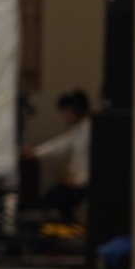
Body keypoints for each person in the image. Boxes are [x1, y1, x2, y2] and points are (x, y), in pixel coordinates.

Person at [25, 89, 91, 226]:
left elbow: (92, 162)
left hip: (82, 185)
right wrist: (35, 152)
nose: (64, 116)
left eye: (66, 111)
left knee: (51, 200)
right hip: (77, 183)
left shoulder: (89, 131)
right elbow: (59, 145)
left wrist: (78, 181)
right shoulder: (78, 130)